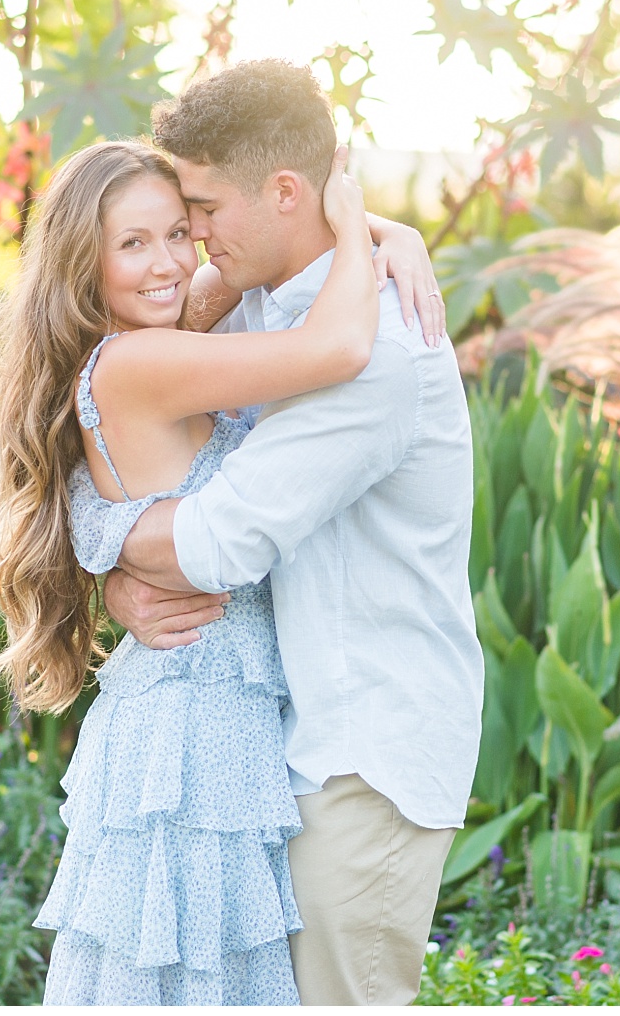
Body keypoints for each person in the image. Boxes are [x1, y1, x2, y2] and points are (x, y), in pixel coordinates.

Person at [0, 135, 440, 1004]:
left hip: (206, 705)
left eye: (178, 234)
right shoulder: (143, 359)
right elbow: (337, 348)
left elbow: (264, 238)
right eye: (132, 244)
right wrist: (352, 214)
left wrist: (389, 233)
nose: (167, 263)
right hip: (194, 729)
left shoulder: (161, 333)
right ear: (87, 264)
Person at [100, 60, 485, 1006]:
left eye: (203, 207)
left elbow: (217, 545)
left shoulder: (376, 351)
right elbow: (173, 461)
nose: (190, 234)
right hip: (290, 747)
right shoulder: (262, 305)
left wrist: (106, 542)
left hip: (365, 756)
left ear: (284, 192)